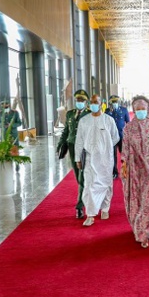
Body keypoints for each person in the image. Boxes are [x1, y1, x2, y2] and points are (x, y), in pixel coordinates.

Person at [122, 96, 149, 248]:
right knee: (137, 199)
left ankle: (146, 232)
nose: (140, 111)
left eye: (143, 108)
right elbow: (126, 148)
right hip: (135, 169)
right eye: (137, 109)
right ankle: (139, 227)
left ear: (147, 109)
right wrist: (124, 165)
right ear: (134, 110)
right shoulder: (129, 128)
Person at [76, 94, 120, 226]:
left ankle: (105, 208)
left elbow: (115, 137)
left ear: (101, 103)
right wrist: (78, 158)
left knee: (106, 183)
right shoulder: (84, 121)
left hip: (106, 159)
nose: (94, 104)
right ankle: (90, 214)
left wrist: (104, 148)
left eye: (96, 102)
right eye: (92, 102)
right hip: (89, 159)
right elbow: (79, 140)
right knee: (89, 186)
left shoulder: (109, 120)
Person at [57, 89, 91, 219]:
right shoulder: (70, 114)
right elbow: (66, 131)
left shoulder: (89, 114)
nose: (79, 102)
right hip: (72, 145)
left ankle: (79, 206)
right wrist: (62, 144)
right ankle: (86, 197)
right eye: (77, 100)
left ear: (86, 101)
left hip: (85, 147)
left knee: (82, 176)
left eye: (82, 100)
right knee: (78, 177)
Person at [106, 94, 131, 179]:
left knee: (124, 154)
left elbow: (128, 123)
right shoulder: (107, 111)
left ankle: (126, 170)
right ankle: (114, 172)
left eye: (116, 101)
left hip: (121, 136)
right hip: (111, 137)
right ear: (110, 102)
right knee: (112, 155)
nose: (114, 103)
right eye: (113, 102)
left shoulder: (123, 110)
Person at [0, 100, 22, 169]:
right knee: (5, 150)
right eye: (2, 105)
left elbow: (19, 123)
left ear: (9, 105)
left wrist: (11, 125)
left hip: (13, 135)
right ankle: (7, 165)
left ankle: (17, 164)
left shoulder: (15, 113)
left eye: (6, 104)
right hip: (4, 135)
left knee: (15, 149)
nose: (4, 106)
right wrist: (2, 125)